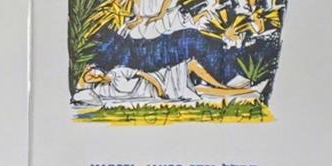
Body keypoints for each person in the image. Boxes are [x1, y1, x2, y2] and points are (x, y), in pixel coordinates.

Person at [74, 59, 262, 109]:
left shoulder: (117, 72)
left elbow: (146, 75)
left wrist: (159, 87)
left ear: (97, 68)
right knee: (198, 90)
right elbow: (79, 94)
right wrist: (83, 79)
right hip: (157, 93)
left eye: (93, 72)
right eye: (90, 78)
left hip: (160, 81)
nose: (94, 76)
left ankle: (226, 88)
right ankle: (246, 91)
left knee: (192, 65)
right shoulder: (102, 90)